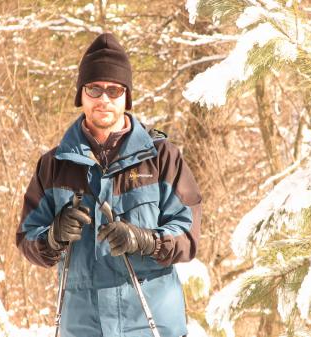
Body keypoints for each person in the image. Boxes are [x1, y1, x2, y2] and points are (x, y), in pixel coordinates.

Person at [16, 32, 202, 337]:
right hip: (82, 327)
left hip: (151, 326)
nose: (104, 99)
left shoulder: (162, 159)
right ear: (81, 95)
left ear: (126, 96)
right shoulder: (54, 165)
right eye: (95, 89)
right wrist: (51, 238)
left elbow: (188, 234)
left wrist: (148, 241)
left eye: (114, 90)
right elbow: (27, 238)